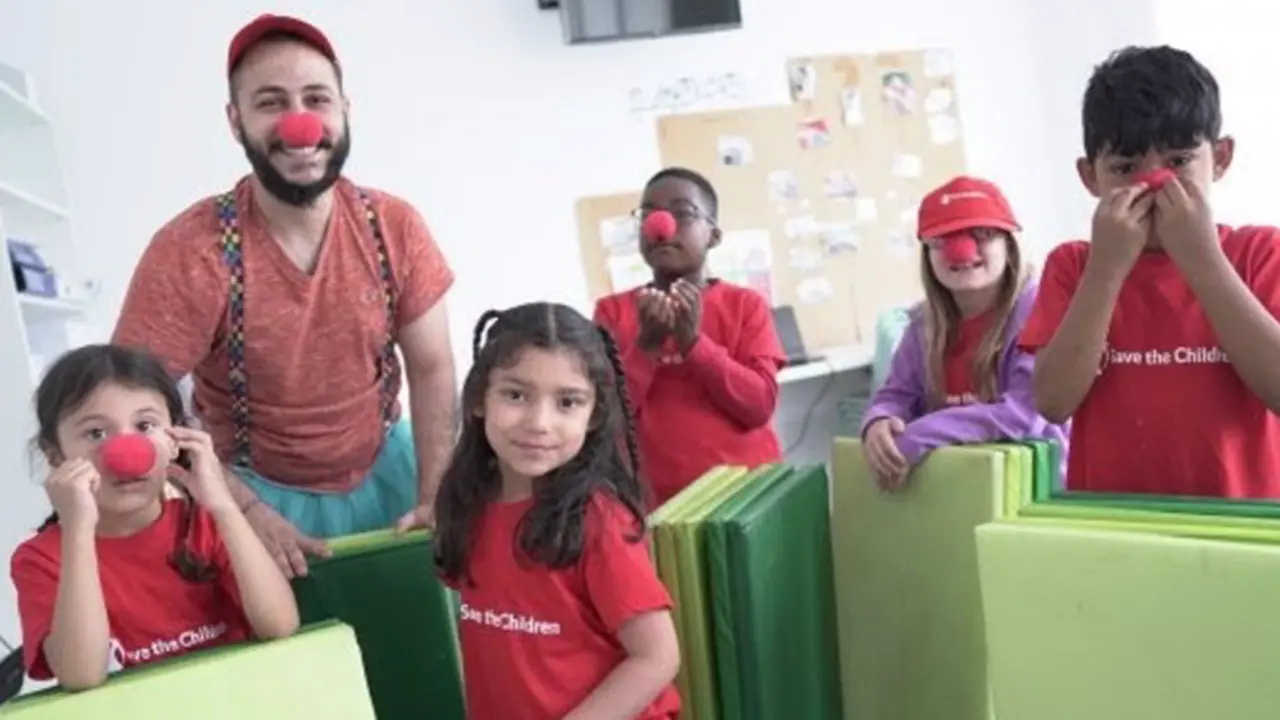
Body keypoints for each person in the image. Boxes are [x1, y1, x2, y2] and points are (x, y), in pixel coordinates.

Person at [111, 14, 458, 577]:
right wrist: (241, 510)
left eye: (316, 98)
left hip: (392, 471)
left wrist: (437, 490)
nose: (300, 123)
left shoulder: (395, 226)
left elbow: (434, 365)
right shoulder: (191, 250)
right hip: (254, 495)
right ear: (235, 120)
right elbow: (131, 408)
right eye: (271, 102)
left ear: (345, 109)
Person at [1019, 45, 1280, 497]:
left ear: (1219, 158)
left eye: (1179, 161)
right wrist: (1106, 269)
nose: (1154, 183)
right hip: (1119, 528)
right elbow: (1054, 402)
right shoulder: (1075, 265)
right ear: (1090, 177)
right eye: (1125, 167)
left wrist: (1203, 259)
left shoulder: (1259, 251)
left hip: (1247, 524)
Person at [434, 303, 681, 720]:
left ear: (594, 415)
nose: (539, 422)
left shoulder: (598, 521)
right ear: (479, 399)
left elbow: (656, 657)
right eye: (515, 395)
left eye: (567, 402)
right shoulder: (466, 503)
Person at [9, 345, 298, 691]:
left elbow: (280, 624)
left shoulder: (209, 525)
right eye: (96, 433)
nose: (125, 453)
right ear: (55, 455)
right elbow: (82, 675)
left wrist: (222, 504)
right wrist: (78, 530)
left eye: (145, 425)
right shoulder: (41, 559)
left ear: (175, 441)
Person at [593, 167, 785, 506]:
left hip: (747, 501)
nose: (661, 225)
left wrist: (695, 345)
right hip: (655, 507)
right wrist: (646, 347)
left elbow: (758, 407)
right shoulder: (613, 312)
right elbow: (604, 423)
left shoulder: (745, 305)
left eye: (683, 212)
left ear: (713, 236)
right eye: (649, 213)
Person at [861, 176, 1068, 489]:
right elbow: (896, 395)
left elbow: (1025, 415)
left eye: (982, 234)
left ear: (1008, 245)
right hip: (961, 489)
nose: (960, 250)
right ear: (927, 255)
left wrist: (918, 435)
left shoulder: (1040, 311)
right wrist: (878, 422)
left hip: (1039, 490)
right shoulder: (922, 327)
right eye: (942, 240)